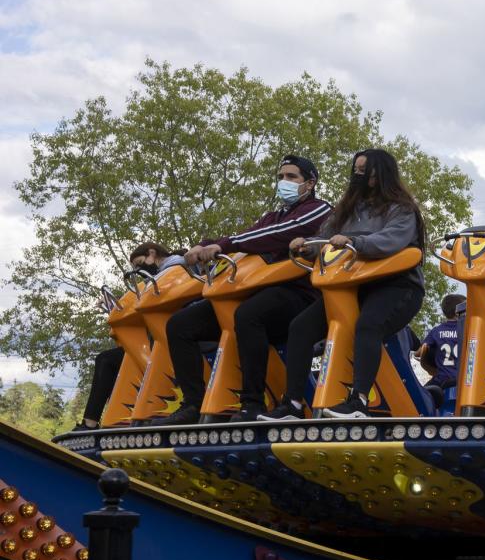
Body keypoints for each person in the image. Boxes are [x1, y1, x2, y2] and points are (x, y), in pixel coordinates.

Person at [156, 155, 332, 424]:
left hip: (298, 293)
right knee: (181, 324)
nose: (283, 182)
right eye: (280, 177)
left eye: (291, 177)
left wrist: (223, 245)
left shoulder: (319, 209)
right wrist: (205, 245)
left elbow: (279, 234)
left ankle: (252, 403)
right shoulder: (272, 216)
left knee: (249, 315)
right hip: (255, 288)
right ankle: (193, 404)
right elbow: (248, 236)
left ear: (309, 183)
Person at [262, 148, 426, 420]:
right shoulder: (346, 211)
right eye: (356, 170)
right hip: (353, 287)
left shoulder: (402, 210)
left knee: (368, 324)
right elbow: (325, 239)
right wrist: (306, 248)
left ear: (381, 173)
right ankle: (292, 403)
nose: (358, 176)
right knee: (300, 327)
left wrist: (354, 242)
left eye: (365, 171)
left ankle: (359, 401)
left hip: (396, 287)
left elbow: (390, 241)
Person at [73, 242, 187, 431]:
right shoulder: (156, 277)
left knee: (109, 360)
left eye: (139, 263)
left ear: (152, 253)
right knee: (106, 360)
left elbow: (157, 298)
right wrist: (113, 307)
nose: (138, 269)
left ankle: (110, 419)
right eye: (135, 267)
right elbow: (142, 304)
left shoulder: (176, 267)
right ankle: (96, 422)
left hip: (172, 336)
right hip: (158, 337)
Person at [418, 293, 465, 391]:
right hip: (464, 379)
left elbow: (420, 352)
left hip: (442, 379)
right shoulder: (467, 330)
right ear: (458, 312)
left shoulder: (437, 330)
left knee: (422, 395)